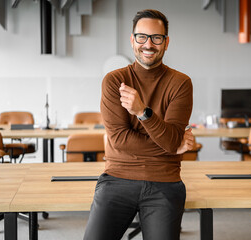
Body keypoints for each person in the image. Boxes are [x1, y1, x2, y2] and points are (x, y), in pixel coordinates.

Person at [83, 9, 194, 240]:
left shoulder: (180, 83)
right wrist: (171, 147)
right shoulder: (114, 81)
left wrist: (143, 113)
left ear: (166, 42)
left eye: (156, 38)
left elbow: (171, 139)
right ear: (132, 40)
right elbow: (120, 140)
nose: (148, 44)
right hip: (117, 179)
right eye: (142, 37)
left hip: (164, 182)